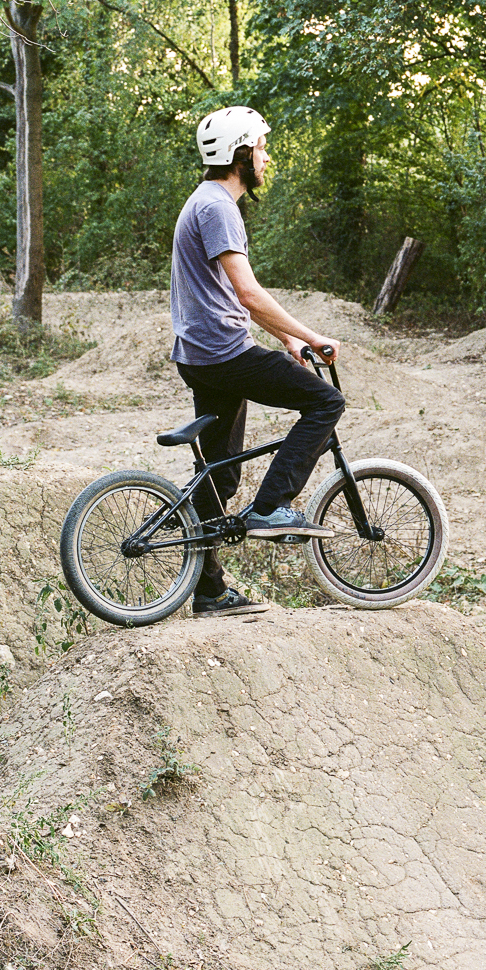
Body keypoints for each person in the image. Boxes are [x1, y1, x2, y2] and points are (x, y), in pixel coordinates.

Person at [168, 105, 347, 617]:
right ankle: (270, 507)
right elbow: (248, 293)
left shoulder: (207, 202)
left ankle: (208, 591)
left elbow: (233, 295)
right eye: (261, 148)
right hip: (223, 353)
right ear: (240, 154)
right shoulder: (219, 208)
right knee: (324, 402)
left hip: (204, 352)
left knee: (220, 475)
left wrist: (288, 341)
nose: (267, 158)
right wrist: (310, 334)